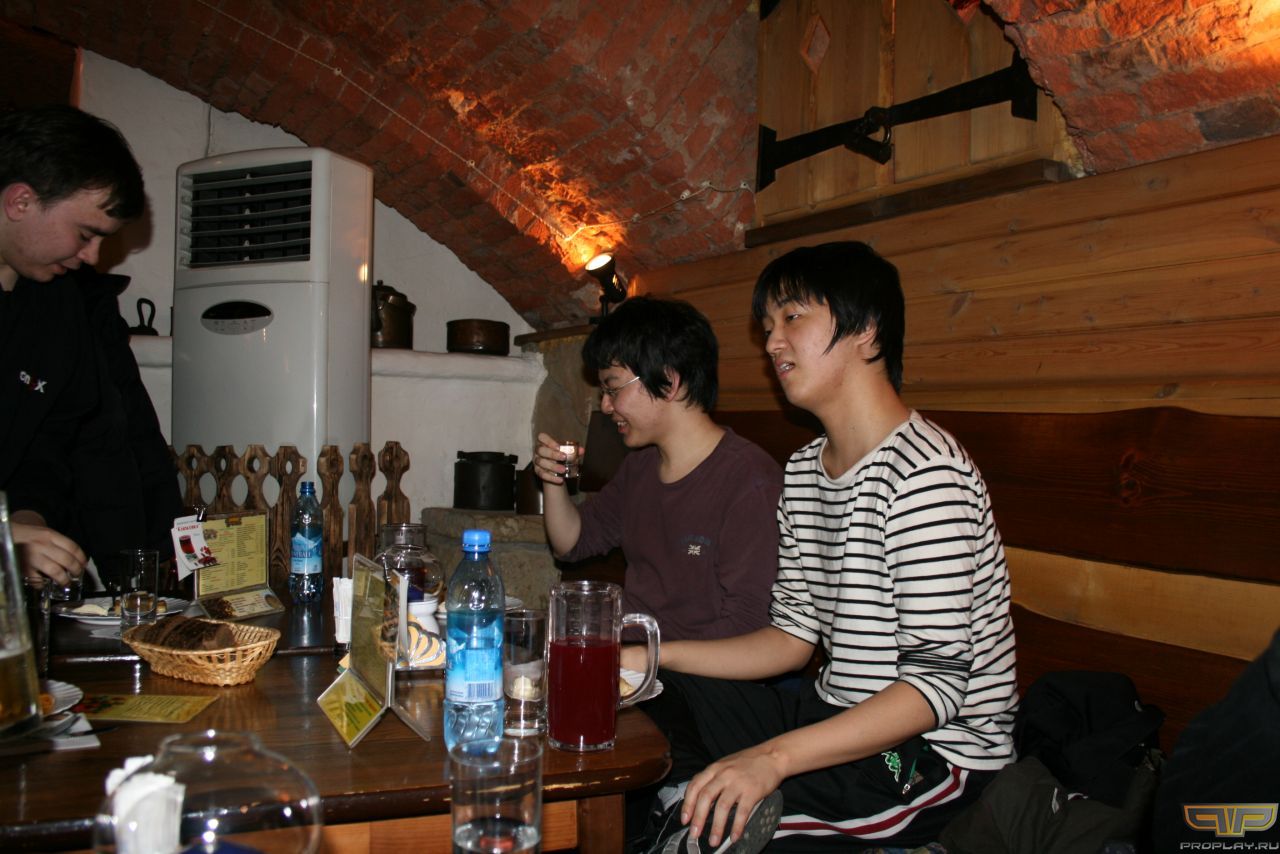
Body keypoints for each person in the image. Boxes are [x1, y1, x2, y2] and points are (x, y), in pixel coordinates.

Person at [627, 242, 1018, 853]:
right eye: (766, 327)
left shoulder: (925, 475)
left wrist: (771, 759)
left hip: (930, 756)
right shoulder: (806, 469)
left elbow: (937, 690)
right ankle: (685, 808)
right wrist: (653, 657)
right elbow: (790, 639)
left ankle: (694, 825)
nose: (772, 342)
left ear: (866, 329)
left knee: (741, 832)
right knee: (653, 690)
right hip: (832, 715)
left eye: (792, 317)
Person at [534, 295, 783, 641]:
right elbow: (571, 544)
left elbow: (750, 628)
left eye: (613, 388)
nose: (606, 406)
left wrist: (645, 659)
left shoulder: (750, 482)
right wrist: (553, 480)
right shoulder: (639, 467)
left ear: (668, 382)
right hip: (632, 658)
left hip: (691, 670)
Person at [0, 104, 175, 587]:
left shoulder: (57, 305)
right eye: (85, 234)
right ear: (20, 202)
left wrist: (30, 519)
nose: (93, 256)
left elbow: (51, 443)